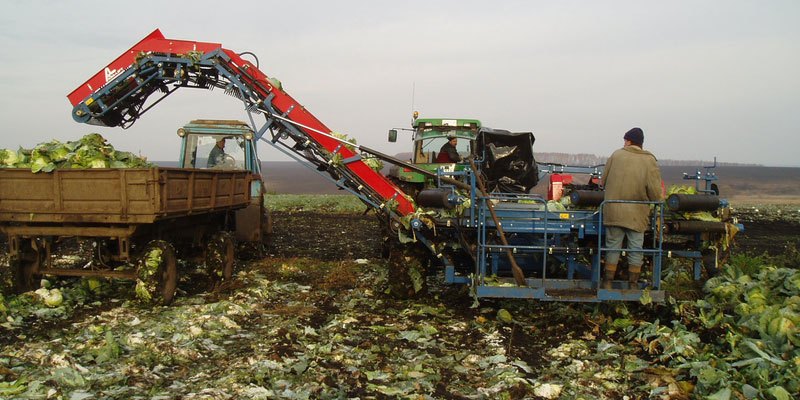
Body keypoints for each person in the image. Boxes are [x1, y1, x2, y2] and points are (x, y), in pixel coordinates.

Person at [601, 127, 663, 289]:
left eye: (625, 140)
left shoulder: (616, 155)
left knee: (612, 246)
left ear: (629, 141)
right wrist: (659, 202)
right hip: (637, 213)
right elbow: (655, 191)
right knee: (635, 247)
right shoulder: (649, 160)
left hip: (613, 210)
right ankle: (633, 284)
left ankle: (607, 282)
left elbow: (603, 181)